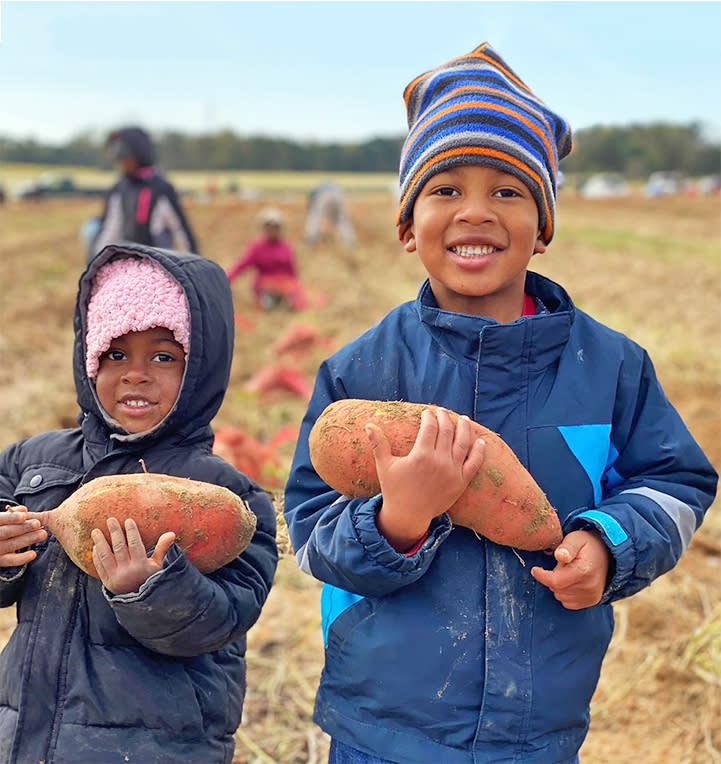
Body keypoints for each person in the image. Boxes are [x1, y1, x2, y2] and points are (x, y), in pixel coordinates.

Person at [283, 42, 717, 764]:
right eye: (446, 189)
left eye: (508, 192)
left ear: (542, 227)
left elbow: (676, 481)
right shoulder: (361, 369)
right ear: (405, 224)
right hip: (382, 728)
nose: (475, 212)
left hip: (536, 726)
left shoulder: (609, 365)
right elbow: (310, 527)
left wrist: (611, 545)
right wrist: (398, 520)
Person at [0, 243, 277, 763]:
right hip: (27, 730)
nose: (136, 373)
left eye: (164, 356)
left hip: (157, 746)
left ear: (201, 370)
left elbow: (223, 620)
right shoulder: (32, 462)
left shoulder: (230, 497)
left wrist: (148, 591)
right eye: (116, 353)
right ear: (88, 361)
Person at [89, 126, 198, 260]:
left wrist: (193, 263)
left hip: (158, 260)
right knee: (90, 228)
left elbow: (180, 229)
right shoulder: (119, 189)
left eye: (125, 158)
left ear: (139, 155)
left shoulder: (161, 188)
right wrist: (94, 262)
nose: (121, 163)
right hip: (127, 259)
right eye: (118, 159)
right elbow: (109, 228)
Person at [226, 206, 306, 310]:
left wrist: (295, 287)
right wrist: (225, 281)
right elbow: (240, 266)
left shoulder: (286, 247)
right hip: (265, 286)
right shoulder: (256, 247)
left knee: (294, 304)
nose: (271, 230)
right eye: (268, 226)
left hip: (285, 285)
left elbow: (292, 270)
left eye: (275, 227)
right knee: (268, 305)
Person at [304, 181, 356, 249]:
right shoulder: (333, 187)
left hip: (324, 195)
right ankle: (351, 242)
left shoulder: (314, 192)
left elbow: (312, 209)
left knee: (315, 218)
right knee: (342, 221)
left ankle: (310, 241)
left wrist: (322, 229)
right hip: (337, 196)